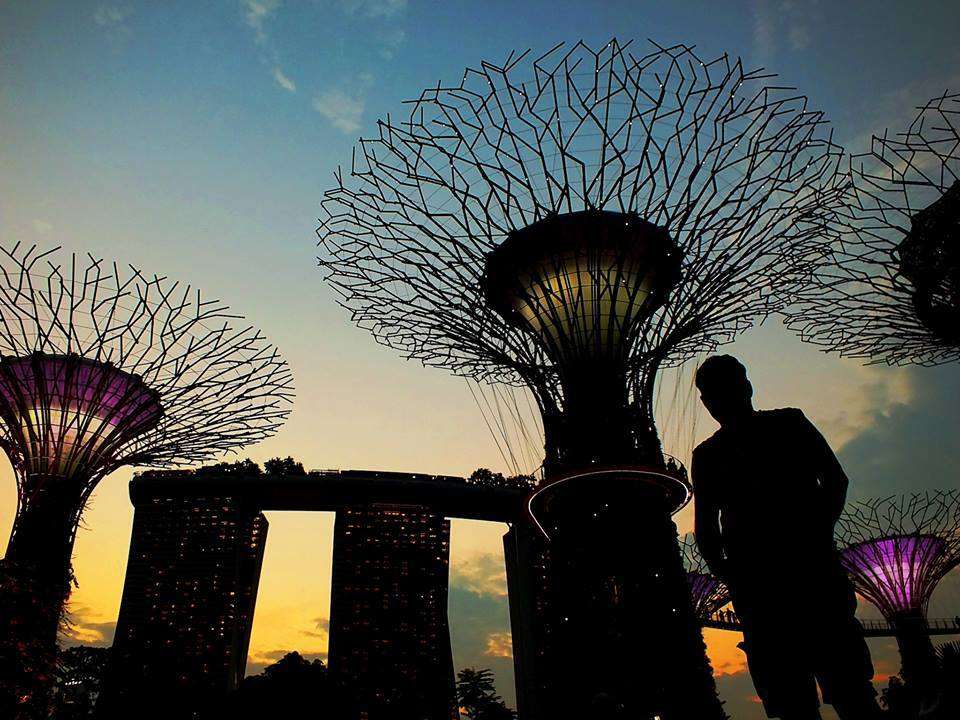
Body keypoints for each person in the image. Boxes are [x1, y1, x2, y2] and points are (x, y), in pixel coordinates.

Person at [691, 355, 882, 720]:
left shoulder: (712, 454)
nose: (716, 402)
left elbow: (706, 531)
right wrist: (815, 533)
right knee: (848, 692)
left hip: (771, 590)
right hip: (808, 578)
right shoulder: (787, 425)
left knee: (803, 701)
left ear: (743, 389)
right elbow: (836, 481)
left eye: (718, 393)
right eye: (712, 395)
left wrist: (732, 573)